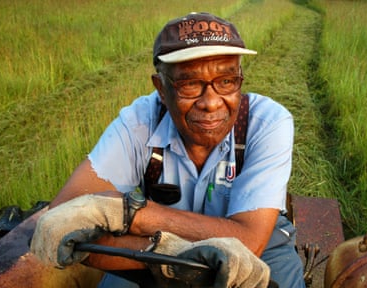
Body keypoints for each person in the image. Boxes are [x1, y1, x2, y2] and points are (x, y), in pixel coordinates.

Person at [31, 12, 305, 288]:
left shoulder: (266, 122)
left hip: (260, 248)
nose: (211, 102)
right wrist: (167, 255)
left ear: (241, 79)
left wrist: (129, 214)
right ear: (161, 88)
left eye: (226, 81)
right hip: (153, 244)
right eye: (190, 84)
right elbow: (63, 222)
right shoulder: (140, 122)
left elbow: (250, 241)